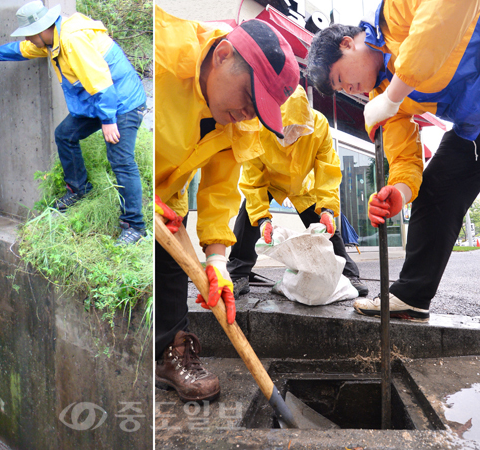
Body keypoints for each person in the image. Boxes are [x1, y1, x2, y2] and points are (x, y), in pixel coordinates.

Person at [155, 6, 299, 402]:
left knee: (170, 272)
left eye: (259, 111)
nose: (248, 113)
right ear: (222, 56)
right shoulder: (162, 45)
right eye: (250, 97)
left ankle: (169, 353)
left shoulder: (240, 122)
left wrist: (217, 264)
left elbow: (219, 192)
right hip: (127, 177)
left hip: (167, 198)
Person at [307, 0, 480, 321]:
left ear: (348, 44)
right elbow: (405, 160)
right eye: (341, 88)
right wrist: (397, 193)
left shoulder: (394, 14)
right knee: (435, 191)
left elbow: (445, 15)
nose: (349, 89)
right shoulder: (384, 101)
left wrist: (394, 94)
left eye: (341, 77)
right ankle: (411, 297)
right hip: (474, 129)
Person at [0, 1, 147, 245]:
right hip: (97, 102)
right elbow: (23, 50)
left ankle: (135, 227)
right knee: (65, 134)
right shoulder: (53, 40)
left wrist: (108, 120)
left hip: (122, 102)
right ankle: (79, 188)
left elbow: (101, 81)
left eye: (31, 34)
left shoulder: (72, 41)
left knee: (121, 160)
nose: (29, 39)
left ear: (44, 28)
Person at [227, 85, 368, 298]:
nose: (291, 135)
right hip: (269, 183)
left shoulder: (319, 127)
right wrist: (263, 218)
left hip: (303, 185)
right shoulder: (255, 128)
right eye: (285, 128)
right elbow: (252, 180)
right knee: (247, 218)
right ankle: (238, 275)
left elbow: (327, 171)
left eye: (297, 129)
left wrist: (328, 209)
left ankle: (347, 275)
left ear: (306, 119)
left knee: (327, 228)